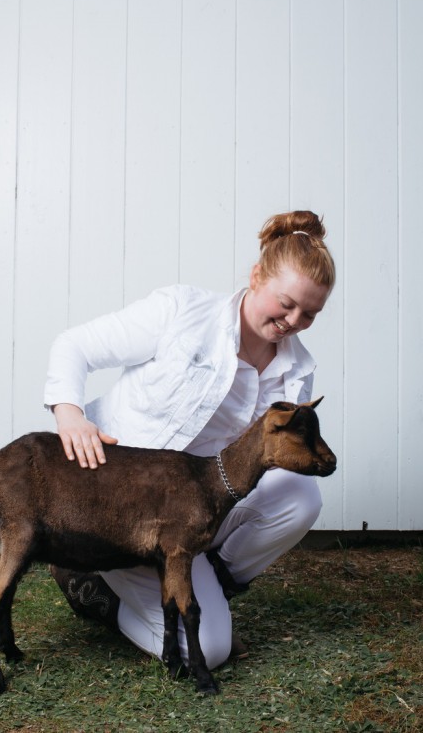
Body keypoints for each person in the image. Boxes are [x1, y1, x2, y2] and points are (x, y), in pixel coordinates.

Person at [44, 210, 336, 669]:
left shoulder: (297, 371)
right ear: (257, 276)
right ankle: (91, 590)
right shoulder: (181, 311)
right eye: (286, 303)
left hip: (192, 508)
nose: (293, 321)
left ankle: (207, 584)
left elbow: (263, 463)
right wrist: (70, 415)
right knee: (209, 651)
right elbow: (74, 345)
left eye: (310, 314)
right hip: (121, 505)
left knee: (301, 495)